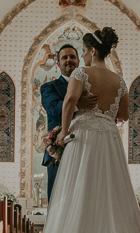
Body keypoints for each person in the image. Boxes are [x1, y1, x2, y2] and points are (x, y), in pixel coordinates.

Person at [20, 28, 140, 233]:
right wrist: (103, 116)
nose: (80, 57)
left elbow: (70, 102)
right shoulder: (120, 80)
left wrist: (64, 132)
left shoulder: (82, 73)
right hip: (108, 137)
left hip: (82, 134)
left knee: (79, 187)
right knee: (107, 188)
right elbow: (123, 114)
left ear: (92, 51)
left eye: (82, 52)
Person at [39, 44, 98, 200]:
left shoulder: (89, 87)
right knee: (58, 199)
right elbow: (53, 108)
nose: (68, 60)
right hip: (59, 150)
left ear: (79, 62)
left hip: (86, 148)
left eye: (72, 57)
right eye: (64, 57)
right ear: (57, 64)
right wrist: (78, 104)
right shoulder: (49, 87)